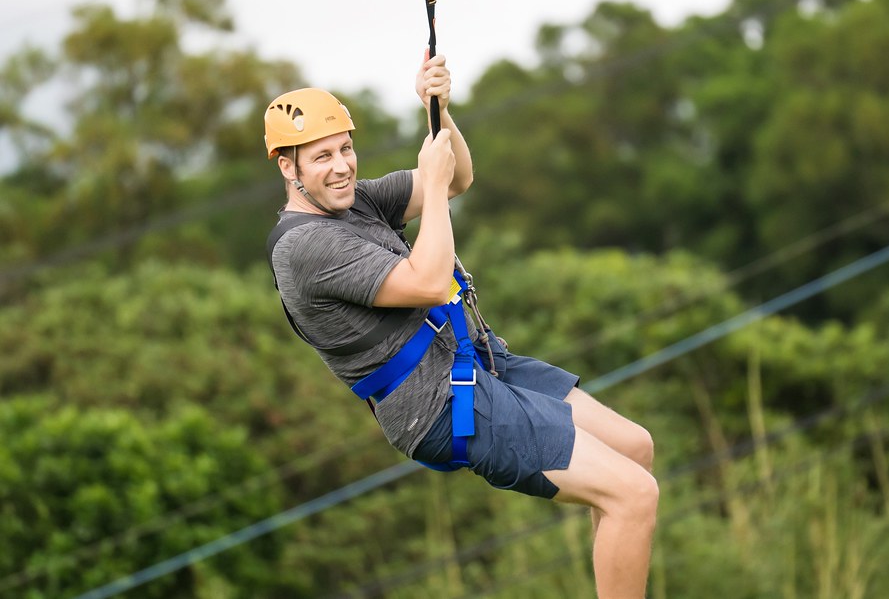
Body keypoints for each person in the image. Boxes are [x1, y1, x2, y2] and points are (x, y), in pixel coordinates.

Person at [264, 53, 658, 598]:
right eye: (321, 157)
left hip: (474, 361)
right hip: (440, 404)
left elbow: (457, 181)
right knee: (633, 495)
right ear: (289, 167)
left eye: (346, 149)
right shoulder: (305, 247)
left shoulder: (354, 204)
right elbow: (427, 281)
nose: (342, 167)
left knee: (635, 449)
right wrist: (430, 179)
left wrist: (440, 112)